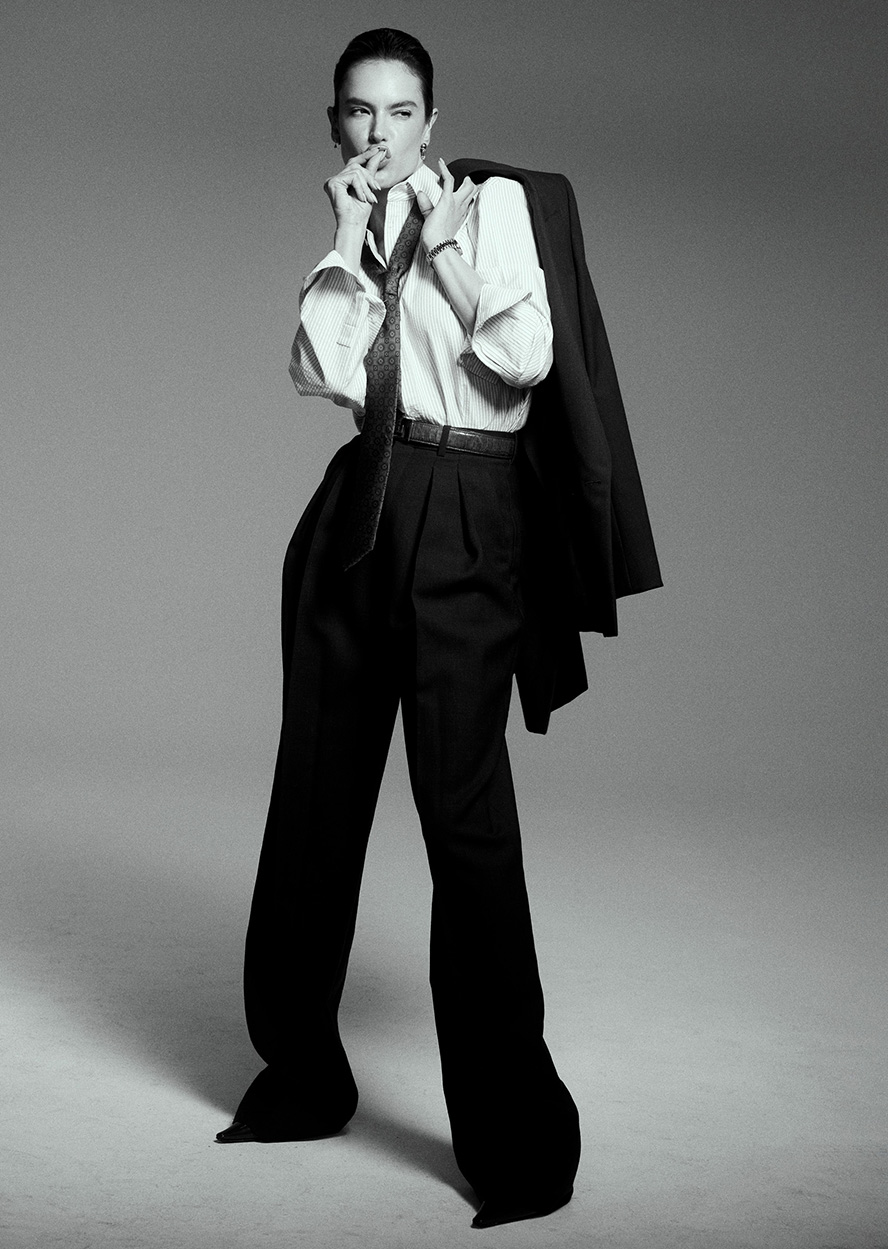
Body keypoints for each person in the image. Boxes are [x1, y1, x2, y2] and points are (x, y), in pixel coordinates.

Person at [216, 28, 661, 1232]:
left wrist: (444, 248)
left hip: (466, 510)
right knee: (315, 795)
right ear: (335, 126)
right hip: (357, 509)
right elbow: (319, 371)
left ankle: (514, 1136)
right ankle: (302, 1073)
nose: (379, 134)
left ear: (430, 118)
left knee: (463, 819)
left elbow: (521, 357)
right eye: (358, 113)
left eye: (400, 112)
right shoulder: (356, 223)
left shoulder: (494, 208)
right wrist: (348, 240)